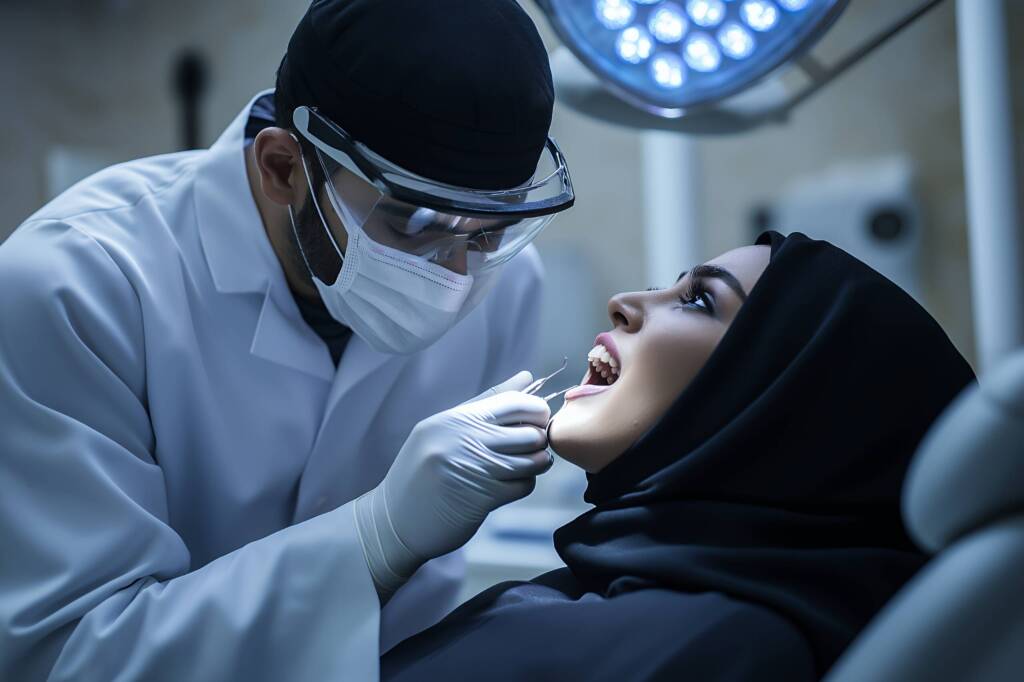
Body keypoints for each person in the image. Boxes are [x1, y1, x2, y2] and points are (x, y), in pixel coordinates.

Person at [0, 1, 574, 679]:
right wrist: (375, 538)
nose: (456, 275)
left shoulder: (505, 285)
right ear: (282, 167)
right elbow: (67, 657)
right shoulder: (77, 284)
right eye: (417, 222)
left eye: (489, 230)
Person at [381, 232, 976, 681]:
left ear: (774, 401)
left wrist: (377, 543)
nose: (623, 302)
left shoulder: (698, 647)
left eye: (697, 301)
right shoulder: (640, 606)